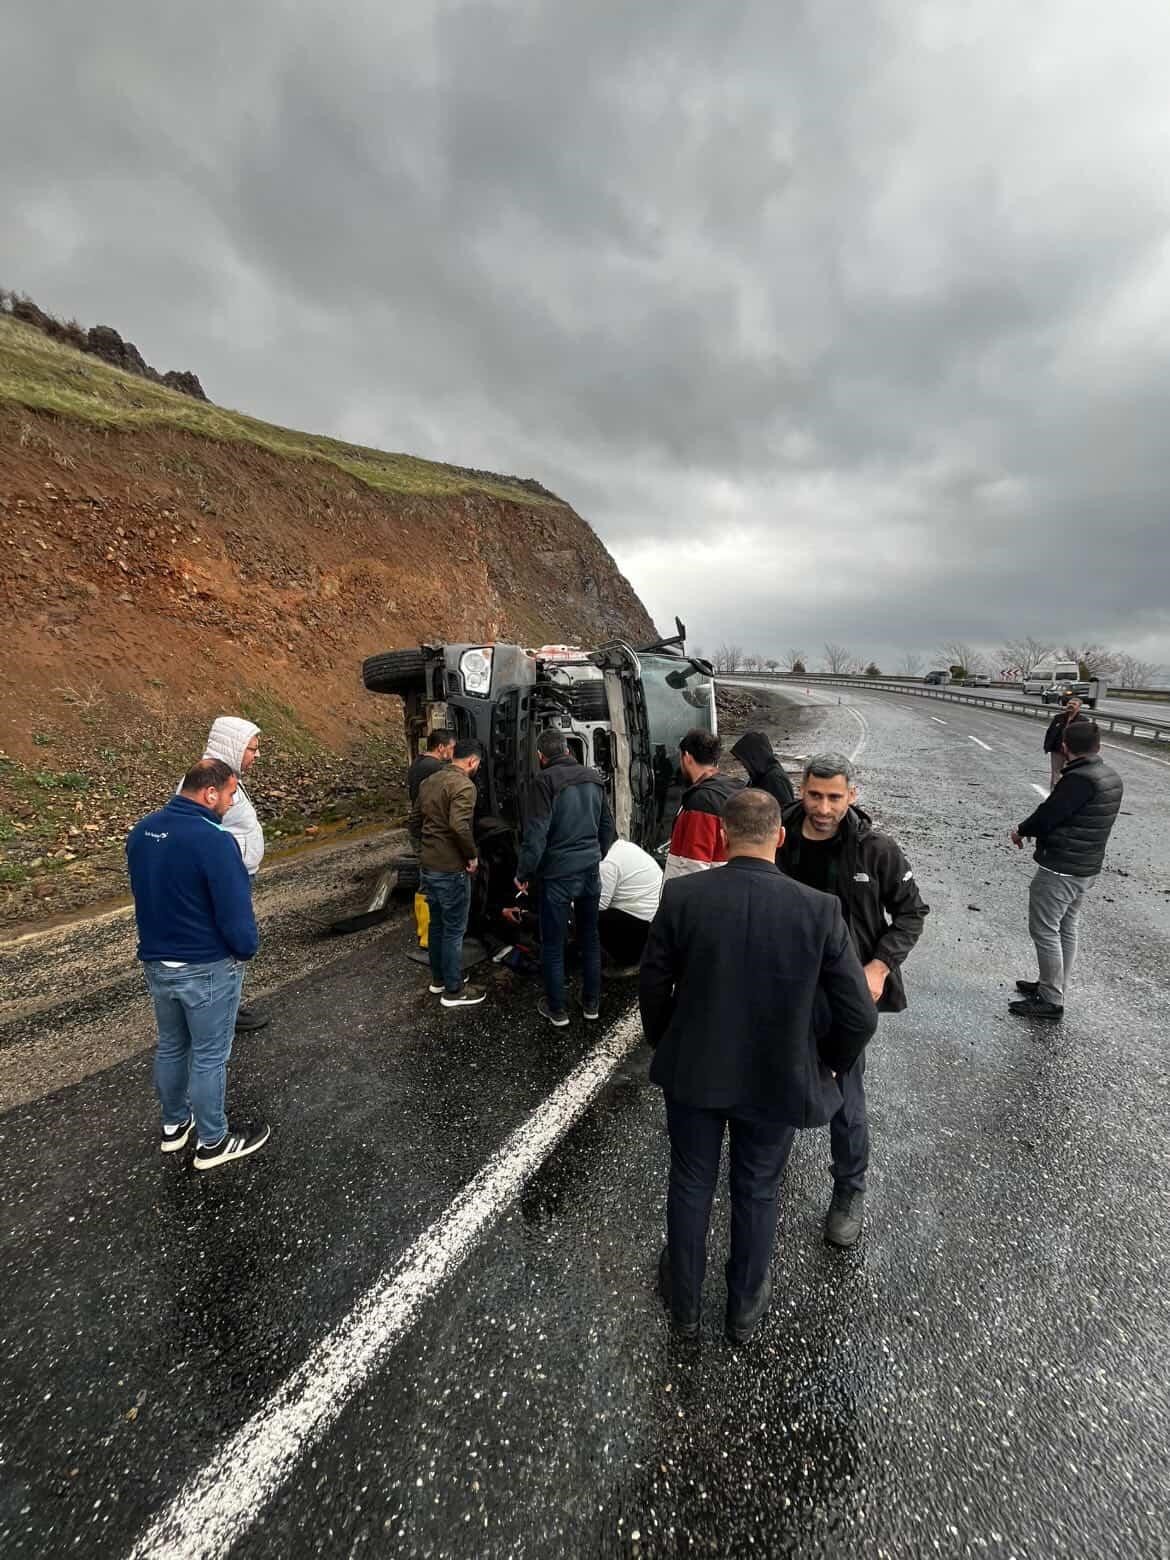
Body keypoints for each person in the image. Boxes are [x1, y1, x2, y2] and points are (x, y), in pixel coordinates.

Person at [641, 789, 877, 1343]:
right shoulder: (819, 909)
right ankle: (744, 1309)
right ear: (780, 836)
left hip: (695, 1067)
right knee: (758, 1188)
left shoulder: (683, 896)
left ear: (723, 837)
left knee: (691, 1181)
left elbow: (654, 985)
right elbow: (858, 1014)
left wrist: (666, 1042)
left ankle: (685, 1307)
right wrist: (830, 1065)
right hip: (778, 1073)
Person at [777, 754, 928, 1248]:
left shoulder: (876, 850)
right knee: (772, 1083)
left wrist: (879, 965)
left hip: (844, 996)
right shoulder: (776, 835)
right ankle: (765, 1174)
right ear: (802, 790)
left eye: (834, 797)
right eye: (815, 795)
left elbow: (911, 913)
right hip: (782, 985)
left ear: (852, 795)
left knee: (844, 1097)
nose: (823, 807)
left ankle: (848, 1190)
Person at [127, 759, 270, 1171]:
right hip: (206, 964)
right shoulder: (213, 839)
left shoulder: (143, 830)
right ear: (210, 793)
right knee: (209, 1055)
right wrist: (245, 950)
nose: (229, 804)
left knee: (172, 1045)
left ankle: (174, 1126)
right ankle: (213, 1142)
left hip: (157, 959)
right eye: (228, 795)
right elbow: (234, 910)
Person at [1009, 719, 1123, 1021]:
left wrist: (1021, 830)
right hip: (1085, 867)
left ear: (1064, 746)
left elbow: (1048, 816)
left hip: (1061, 867)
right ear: (1098, 747)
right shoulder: (1108, 776)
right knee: (1066, 927)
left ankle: (1050, 999)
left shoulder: (1079, 781)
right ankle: (1053, 985)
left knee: (1045, 929)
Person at [515, 729, 617, 1027]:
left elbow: (536, 835)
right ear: (568, 751)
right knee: (590, 937)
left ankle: (557, 1010)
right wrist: (596, 854)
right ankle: (591, 1005)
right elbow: (607, 826)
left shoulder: (544, 781)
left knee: (554, 944)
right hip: (588, 870)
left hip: (558, 875)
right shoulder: (594, 778)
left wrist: (523, 873)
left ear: (540, 757)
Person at [201, 716, 268, 1034]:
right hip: (225, 881)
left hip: (235, 876)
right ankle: (222, 1011)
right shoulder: (208, 783)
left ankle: (228, 1004)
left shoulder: (225, 778)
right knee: (226, 943)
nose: (256, 755)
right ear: (235, 746)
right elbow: (201, 836)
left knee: (230, 943)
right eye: (252, 749)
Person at [409, 738, 486, 1007]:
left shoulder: (429, 781)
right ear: (472, 761)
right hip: (451, 868)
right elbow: (459, 826)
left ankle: (440, 979)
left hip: (429, 866)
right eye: (478, 764)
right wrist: (472, 857)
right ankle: (453, 991)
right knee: (455, 930)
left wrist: (423, 851)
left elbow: (414, 822)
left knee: (438, 925)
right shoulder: (464, 785)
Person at [662, 729, 740, 883]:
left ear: (687, 758)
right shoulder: (734, 789)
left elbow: (694, 866)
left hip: (700, 897)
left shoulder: (701, 802)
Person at [598, 836, 662, 970]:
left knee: (587, 914)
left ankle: (627, 960)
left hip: (640, 928)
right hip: (654, 921)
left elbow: (600, 905)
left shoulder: (608, 862)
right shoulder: (623, 846)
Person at [731, 730, 795, 809]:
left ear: (754, 757)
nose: (743, 765)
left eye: (744, 761)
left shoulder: (774, 778)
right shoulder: (760, 774)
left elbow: (785, 810)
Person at [1042, 698, 1087, 789]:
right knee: (1055, 774)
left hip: (1072, 752)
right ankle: (1053, 795)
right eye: (1069, 703)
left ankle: (1065, 793)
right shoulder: (1058, 717)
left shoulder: (1083, 721)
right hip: (1057, 750)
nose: (1070, 705)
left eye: (1074, 704)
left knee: (1069, 773)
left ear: (1079, 707)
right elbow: (1050, 732)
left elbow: (1084, 738)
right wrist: (1047, 746)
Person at [408, 728, 456, 802]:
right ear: (440, 747)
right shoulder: (436, 767)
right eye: (451, 748)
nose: (453, 751)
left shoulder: (417, 761)